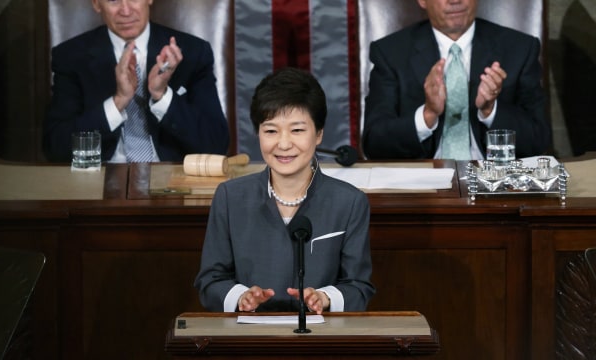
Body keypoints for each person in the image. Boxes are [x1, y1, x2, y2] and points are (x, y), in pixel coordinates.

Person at [194, 67, 375, 313]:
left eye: (297, 130)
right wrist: (241, 297)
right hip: (251, 338)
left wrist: (324, 298)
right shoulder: (230, 197)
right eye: (271, 131)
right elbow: (210, 281)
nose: (284, 144)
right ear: (258, 133)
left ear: (319, 134)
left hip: (320, 340)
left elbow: (359, 287)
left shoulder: (350, 201)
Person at [362, 0, 551, 160]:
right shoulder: (390, 52)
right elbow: (374, 144)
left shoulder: (519, 48)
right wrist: (427, 115)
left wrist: (490, 110)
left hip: (493, 184)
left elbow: (539, 140)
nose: (455, 0)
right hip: (422, 188)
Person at [43, 0, 229, 163]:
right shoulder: (71, 57)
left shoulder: (193, 52)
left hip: (171, 181)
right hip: (101, 180)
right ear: (96, 4)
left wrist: (162, 96)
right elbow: (56, 148)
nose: (125, 11)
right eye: (113, 0)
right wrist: (118, 102)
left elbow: (216, 144)